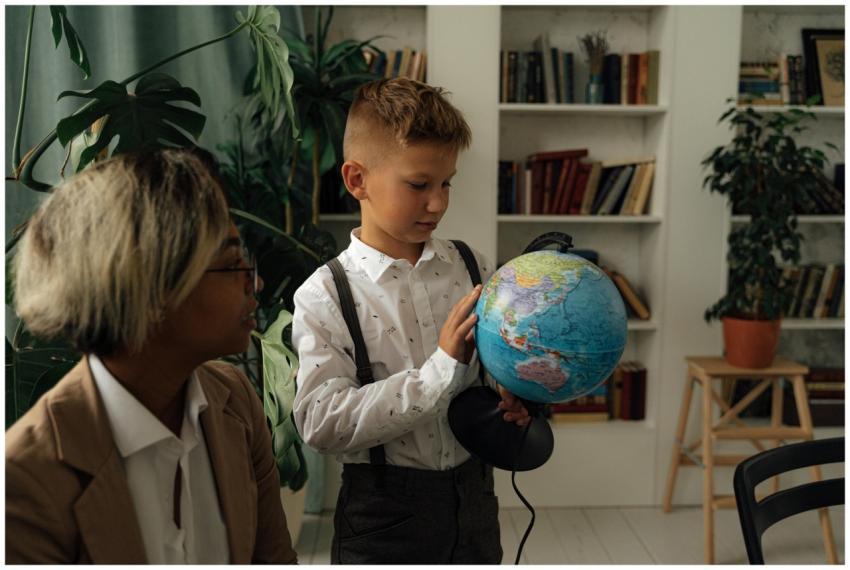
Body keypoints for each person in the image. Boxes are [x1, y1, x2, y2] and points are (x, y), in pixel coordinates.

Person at [6, 148, 298, 564]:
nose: (257, 282)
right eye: (233, 263)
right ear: (153, 287)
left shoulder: (234, 402)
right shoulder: (26, 480)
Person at [292, 77, 529, 565]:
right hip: (381, 525)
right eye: (419, 185)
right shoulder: (325, 294)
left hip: (476, 506)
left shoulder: (474, 267)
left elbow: (491, 372)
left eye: (446, 184)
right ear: (356, 180)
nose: (439, 203)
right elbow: (320, 423)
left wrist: (512, 395)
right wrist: (438, 369)